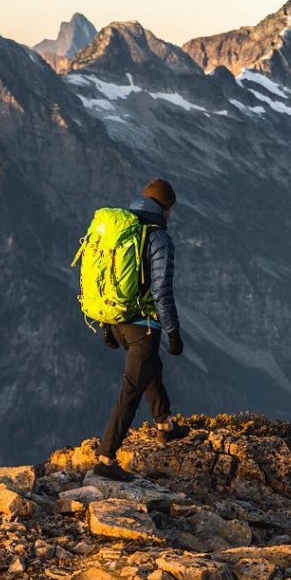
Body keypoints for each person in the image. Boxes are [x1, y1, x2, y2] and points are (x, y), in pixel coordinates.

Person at [93, 178, 189, 481]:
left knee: (151, 369)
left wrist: (107, 325)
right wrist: (172, 332)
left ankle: (165, 425)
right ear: (166, 208)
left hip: (117, 320)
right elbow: (161, 291)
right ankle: (106, 459)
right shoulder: (158, 238)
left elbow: (105, 280)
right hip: (142, 326)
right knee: (130, 392)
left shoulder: (122, 232)